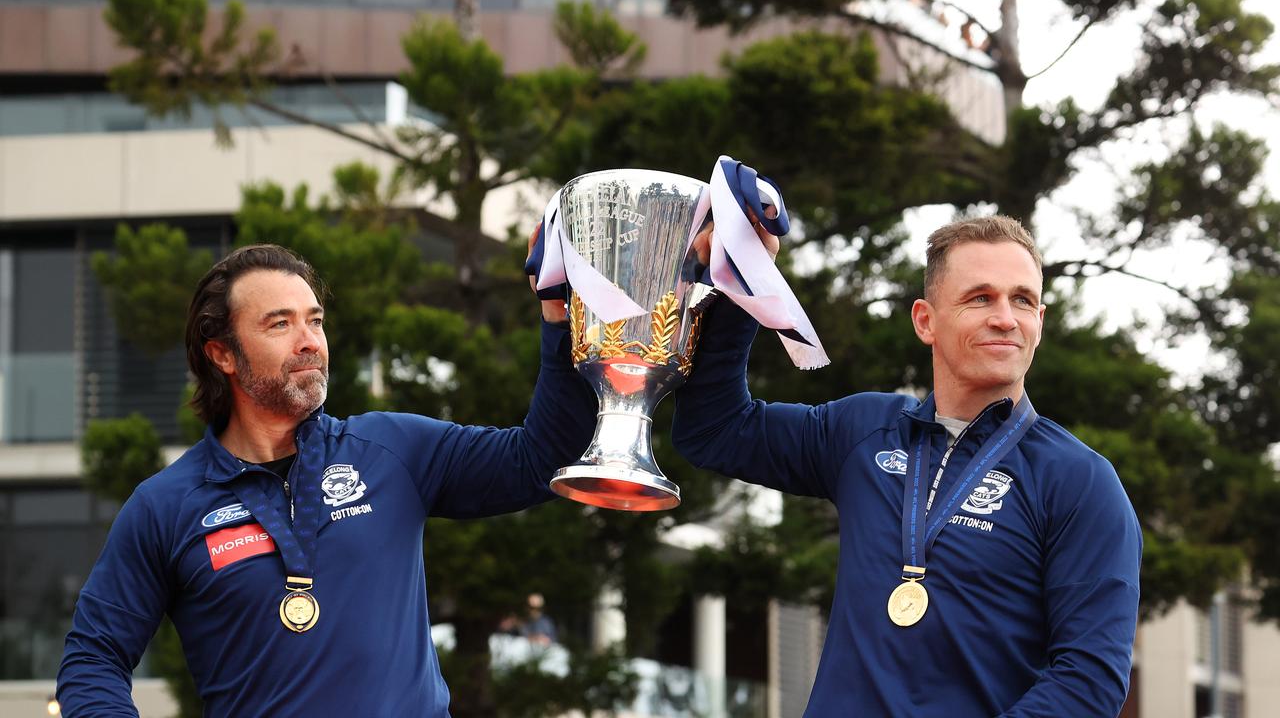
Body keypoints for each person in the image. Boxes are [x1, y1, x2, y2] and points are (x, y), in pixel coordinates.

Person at [56, 243, 596, 716]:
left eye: (314, 320)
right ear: (221, 353)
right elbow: (93, 658)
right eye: (279, 323)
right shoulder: (164, 506)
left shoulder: (393, 449)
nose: (309, 340)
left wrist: (557, 320)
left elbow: (543, 460)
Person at [672, 215, 1142, 716]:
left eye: (1022, 299)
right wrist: (742, 277)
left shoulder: (1081, 481)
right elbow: (714, 431)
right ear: (925, 321)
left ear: (1039, 323)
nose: (1005, 317)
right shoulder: (863, 431)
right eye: (980, 297)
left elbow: (1089, 681)